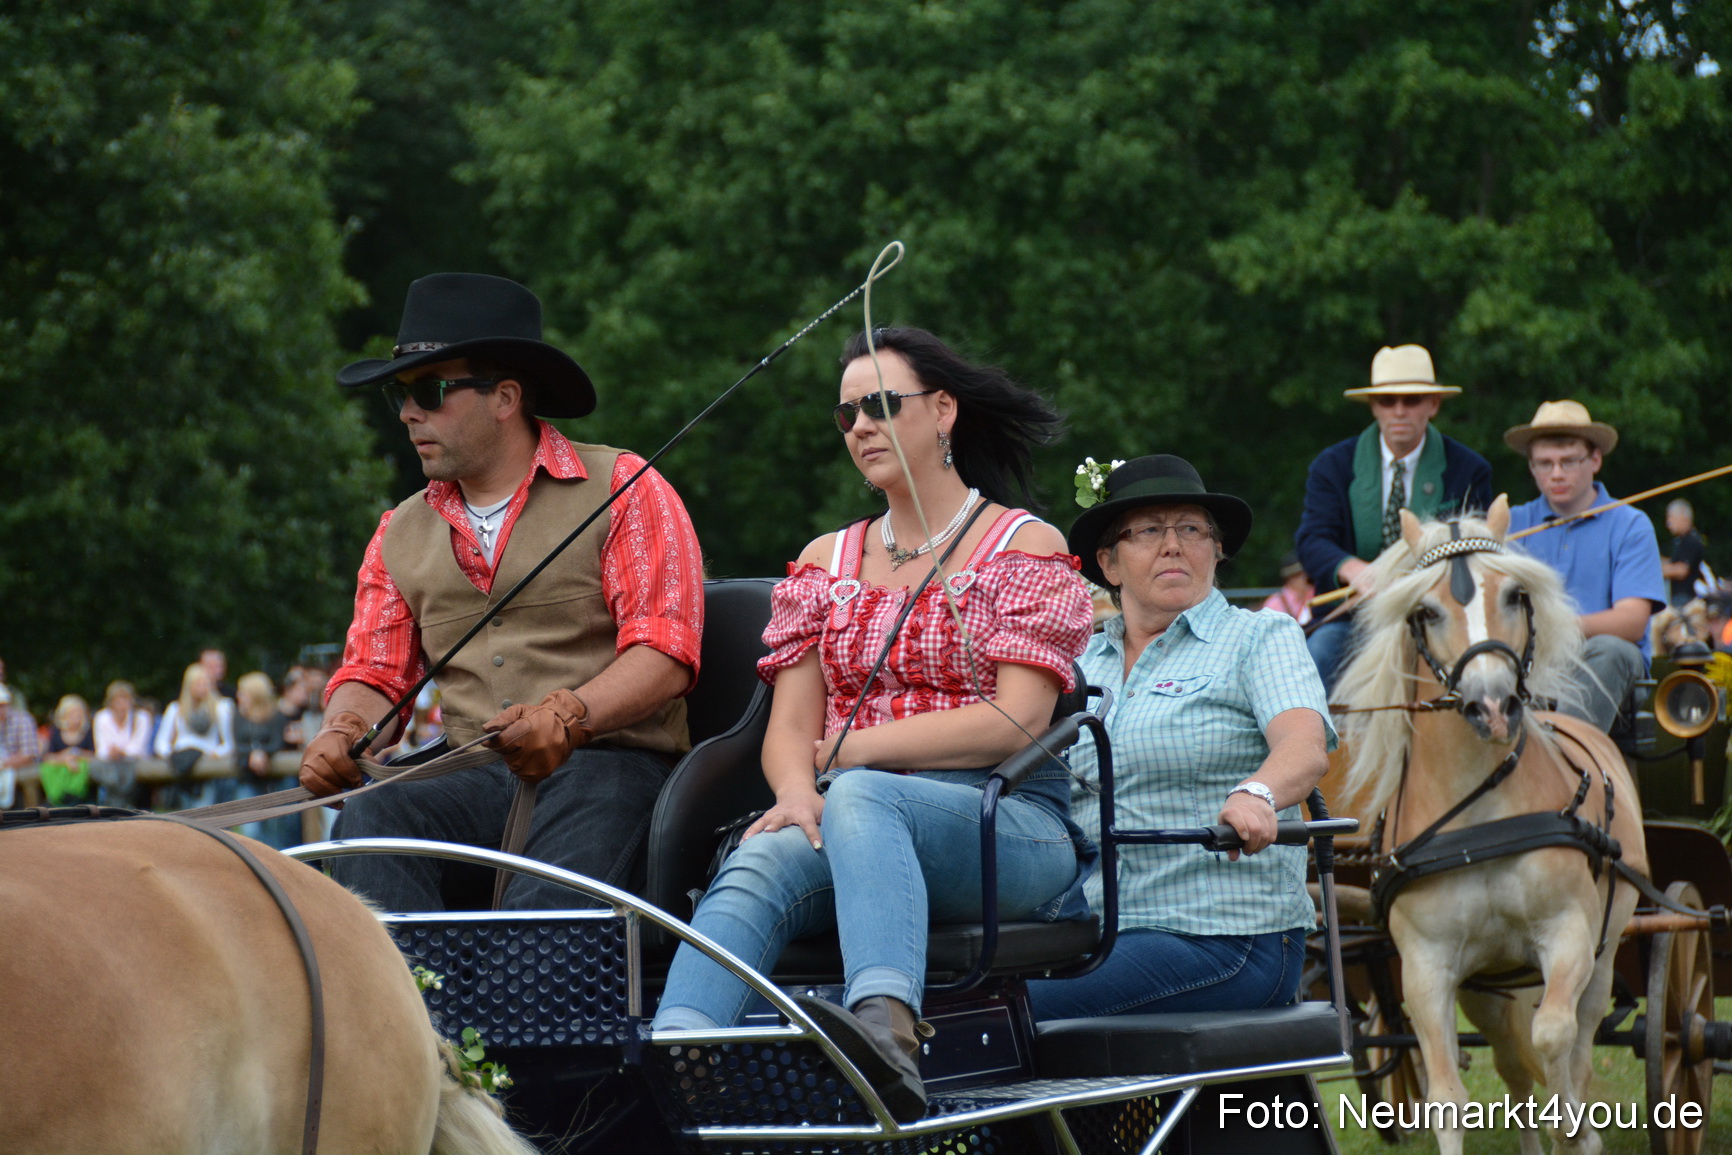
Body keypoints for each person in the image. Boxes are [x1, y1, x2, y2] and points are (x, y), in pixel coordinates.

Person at [651, 327, 1095, 1121]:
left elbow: (1016, 722)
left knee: (862, 795)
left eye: (882, 405)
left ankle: (885, 1037)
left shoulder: (1023, 544)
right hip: (854, 814)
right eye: (847, 412)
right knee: (761, 856)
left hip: (1006, 820)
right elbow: (789, 726)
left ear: (945, 411)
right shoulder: (826, 559)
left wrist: (851, 756)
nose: (860, 426)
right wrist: (793, 795)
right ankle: (675, 1065)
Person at [300, 272, 704, 912]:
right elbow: (374, 673)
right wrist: (344, 729)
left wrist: (570, 715)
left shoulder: (626, 486)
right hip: (471, 773)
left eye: (430, 391)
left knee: (537, 937)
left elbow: (665, 654)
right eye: (399, 396)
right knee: (375, 819)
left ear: (505, 397)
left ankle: (513, 1005)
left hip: (611, 767)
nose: (409, 412)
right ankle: (408, 1007)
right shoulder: (396, 534)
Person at [1027, 455, 1333, 1020]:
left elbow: (1303, 746)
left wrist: (1258, 793)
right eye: (1148, 531)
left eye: (1191, 529)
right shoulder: (1076, 662)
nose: (1173, 545)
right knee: (955, 988)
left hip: (1228, 937)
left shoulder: (1259, 636)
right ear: (1108, 563)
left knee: (1002, 1013)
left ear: (1215, 551)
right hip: (1090, 926)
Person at [1296, 345, 1493, 689]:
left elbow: (1476, 555)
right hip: (1352, 618)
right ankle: (1309, 742)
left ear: (1433, 405)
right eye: (1388, 401)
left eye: (1412, 400)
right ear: (1374, 407)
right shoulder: (1332, 465)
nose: (1399, 411)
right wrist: (1355, 570)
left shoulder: (1470, 469)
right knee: (1319, 653)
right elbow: (1312, 540)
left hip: (1439, 617)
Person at [1505, 401, 1665, 732]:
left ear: (1595, 460)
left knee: (1608, 649)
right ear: (1532, 468)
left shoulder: (1630, 524)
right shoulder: (1512, 525)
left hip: (1608, 672)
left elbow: (1632, 623)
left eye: (1569, 461)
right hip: (1531, 666)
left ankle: (1567, 759)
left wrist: (1551, 626)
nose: (1557, 473)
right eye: (1545, 464)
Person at [154, 663, 234, 808]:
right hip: (181, 765)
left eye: (205, 683)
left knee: (203, 811)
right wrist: (171, 755)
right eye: (198, 683)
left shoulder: (221, 707)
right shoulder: (175, 709)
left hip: (207, 764)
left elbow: (229, 743)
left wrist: (215, 753)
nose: (202, 687)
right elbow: (160, 743)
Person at [92, 680, 151, 805]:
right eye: (118, 701)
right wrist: (112, 752)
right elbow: (101, 750)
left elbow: (139, 747)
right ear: (110, 702)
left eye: (126, 700)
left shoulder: (142, 718)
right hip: (110, 764)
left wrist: (122, 752)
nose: (122, 705)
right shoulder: (101, 717)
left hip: (134, 764)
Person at [40, 694, 96, 805]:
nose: (76, 716)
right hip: (60, 763)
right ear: (64, 715)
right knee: (47, 768)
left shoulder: (88, 732)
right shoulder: (56, 731)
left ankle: (74, 795)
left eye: (79, 713)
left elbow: (93, 754)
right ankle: (55, 797)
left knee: (82, 767)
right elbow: (48, 756)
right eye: (72, 713)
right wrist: (65, 758)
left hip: (80, 763)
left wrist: (76, 756)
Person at [1664, 499, 1708, 609]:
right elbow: (1673, 564)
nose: (1668, 523)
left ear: (1683, 517)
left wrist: (1654, 571)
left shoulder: (1692, 540)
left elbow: (1681, 570)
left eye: (1671, 517)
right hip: (1679, 598)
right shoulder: (1680, 541)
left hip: (1688, 599)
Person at [0, 684, 37, 808]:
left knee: (28, 777)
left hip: (21, 766)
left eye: (2, 705)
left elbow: (28, 755)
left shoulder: (23, 719)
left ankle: (34, 820)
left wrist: (3, 764)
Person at [1259, 551, 1313, 624]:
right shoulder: (1275, 603)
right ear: (1289, 579)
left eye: (1306, 574)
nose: (1305, 579)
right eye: (1298, 576)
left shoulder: (1316, 595)